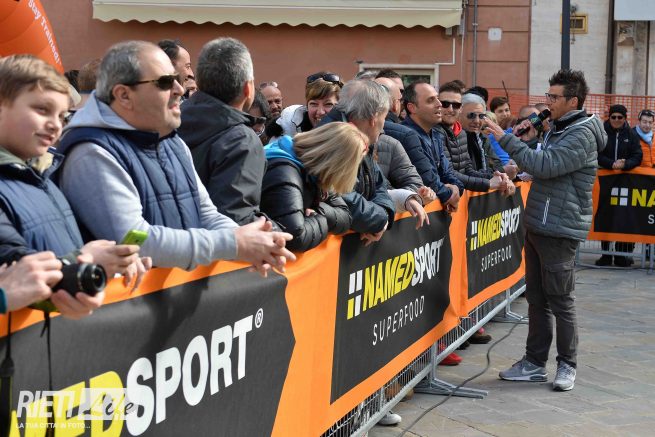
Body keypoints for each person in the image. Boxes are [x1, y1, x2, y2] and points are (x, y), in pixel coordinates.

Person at [57, 41, 295, 276]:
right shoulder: (92, 152)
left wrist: (251, 242)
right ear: (124, 95)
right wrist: (234, 244)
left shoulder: (171, 141)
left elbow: (206, 213)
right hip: (129, 299)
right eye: (164, 82)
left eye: (176, 79)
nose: (180, 89)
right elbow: (134, 240)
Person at [0, 54, 147, 317]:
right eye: (42, 109)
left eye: (62, 115)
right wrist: (86, 260)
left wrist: (108, 261)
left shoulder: (44, 176)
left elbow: (59, 247)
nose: (55, 125)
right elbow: (15, 267)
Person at [488, 69, 606, 392]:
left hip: (560, 227)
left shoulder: (581, 134)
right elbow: (542, 162)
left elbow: (547, 166)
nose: (548, 102)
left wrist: (506, 139)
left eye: (554, 97)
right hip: (539, 222)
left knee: (561, 300)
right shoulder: (558, 127)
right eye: (548, 95)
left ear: (573, 101)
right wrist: (529, 144)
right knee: (537, 298)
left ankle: (567, 364)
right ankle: (534, 362)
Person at [178, 37, 267, 226]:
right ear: (248, 88)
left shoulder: (170, 120)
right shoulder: (242, 141)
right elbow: (236, 222)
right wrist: (275, 228)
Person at [318, 80, 395, 246]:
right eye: (384, 118)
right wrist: (379, 219)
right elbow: (340, 195)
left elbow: (379, 184)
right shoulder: (334, 139)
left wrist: (382, 215)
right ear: (374, 118)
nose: (383, 127)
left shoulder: (362, 135)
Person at [261, 123, 358, 251]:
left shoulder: (316, 171)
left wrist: (319, 211)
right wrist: (319, 218)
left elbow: (345, 217)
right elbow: (295, 237)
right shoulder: (284, 171)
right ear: (338, 165)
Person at [436, 82, 509, 194]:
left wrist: (499, 177)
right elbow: (448, 173)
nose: (476, 121)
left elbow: (468, 170)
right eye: (445, 104)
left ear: (460, 109)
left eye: (456, 105)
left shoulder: (463, 134)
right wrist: (488, 183)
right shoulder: (435, 132)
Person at [595, 104, 642, 267]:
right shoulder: (602, 132)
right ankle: (606, 255)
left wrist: (625, 164)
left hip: (625, 183)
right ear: (609, 117)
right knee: (605, 217)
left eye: (619, 117)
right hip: (605, 182)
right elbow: (596, 153)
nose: (616, 120)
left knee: (624, 217)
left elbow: (638, 156)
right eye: (613, 117)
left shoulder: (631, 134)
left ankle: (622, 255)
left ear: (625, 118)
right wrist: (611, 164)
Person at [277, 72, 342, 136]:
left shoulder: (347, 133)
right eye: (314, 104)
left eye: (328, 104)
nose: (320, 112)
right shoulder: (290, 125)